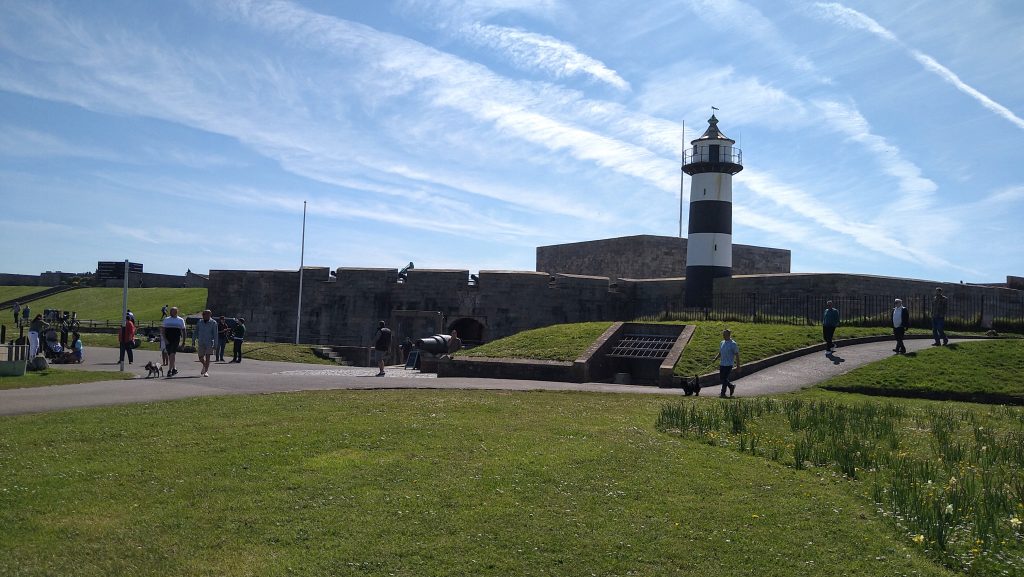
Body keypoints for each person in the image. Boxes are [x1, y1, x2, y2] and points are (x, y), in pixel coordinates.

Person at [712, 329, 741, 398]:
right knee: (722, 378)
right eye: (723, 334)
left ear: (728, 335)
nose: (723, 336)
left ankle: (723, 393)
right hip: (722, 363)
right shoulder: (722, 342)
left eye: (724, 334)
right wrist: (715, 358)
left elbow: (737, 355)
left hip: (729, 364)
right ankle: (731, 386)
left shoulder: (733, 344)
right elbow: (720, 352)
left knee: (724, 378)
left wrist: (738, 366)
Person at [161, 306, 186, 377]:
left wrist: (183, 342)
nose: (172, 312)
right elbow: (163, 330)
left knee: (172, 354)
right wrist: (165, 339)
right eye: (171, 311)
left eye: (174, 311)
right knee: (170, 355)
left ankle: (169, 370)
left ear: (177, 312)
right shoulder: (166, 319)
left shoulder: (180, 320)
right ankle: (174, 368)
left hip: (176, 339)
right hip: (168, 339)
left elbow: (184, 331)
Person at [195, 309, 218, 377]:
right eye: (204, 314)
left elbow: (215, 334)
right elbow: (196, 331)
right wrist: (193, 339)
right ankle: (205, 365)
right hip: (201, 341)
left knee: (208, 357)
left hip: (209, 342)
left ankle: (206, 371)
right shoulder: (200, 322)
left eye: (207, 314)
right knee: (200, 357)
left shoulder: (213, 323)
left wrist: (215, 344)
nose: (205, 316)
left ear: (210, 315)